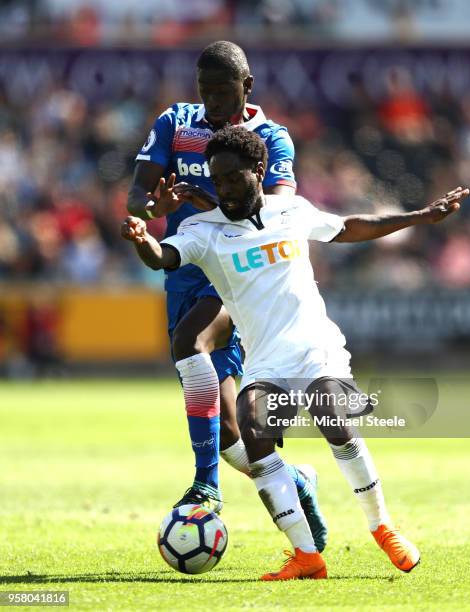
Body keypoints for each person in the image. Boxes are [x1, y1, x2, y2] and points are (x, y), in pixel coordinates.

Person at [122, 126, 469, 580]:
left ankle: (382, 528)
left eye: (232, 178)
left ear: (259, 171)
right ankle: (307, 556)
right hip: (266, 361)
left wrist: (419, 216)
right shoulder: (203, 230)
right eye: (217, 180)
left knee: (332, 416)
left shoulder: (291, 209)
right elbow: (162, 258)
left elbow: (347, 227)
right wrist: (142, 235)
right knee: (254, 435)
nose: (223, 188)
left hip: (316, 348)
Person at [127, 41, 327, 550]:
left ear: (247, 87)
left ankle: (206, 485)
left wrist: (207, 202)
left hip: (240, 271)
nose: (213, 102)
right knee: (227, 422)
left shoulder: (271, 139)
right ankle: (295, 482)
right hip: (186, 266)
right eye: (205, 92)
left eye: (223, 92)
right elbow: (138, 196)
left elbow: (274, 212)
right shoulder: (176, 123)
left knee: (191, 345)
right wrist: (155, 207)